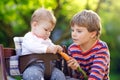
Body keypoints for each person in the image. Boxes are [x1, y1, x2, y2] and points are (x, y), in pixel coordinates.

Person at [21, 8, 66, 80]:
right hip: (32, 66)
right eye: (46, 29)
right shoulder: (28, 37)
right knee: (33, 76)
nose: (48, 33)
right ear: (35, 25)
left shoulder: (47, 40)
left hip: (50, 67)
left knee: (60, 76)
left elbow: (52, 47)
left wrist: (57, 48)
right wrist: (47, 49)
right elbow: (33, 47)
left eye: (50, 31)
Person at [67, 10, 110, 80]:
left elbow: (96, 76)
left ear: (92, 34)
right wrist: (77, 69)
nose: (73, 34)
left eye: (79, 31)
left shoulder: (101, 49)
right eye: (72, 30)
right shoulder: (72, 49)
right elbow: (73, 75)